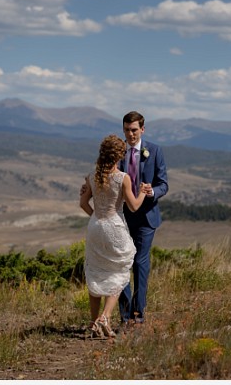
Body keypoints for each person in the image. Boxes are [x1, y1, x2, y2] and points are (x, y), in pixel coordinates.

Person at [81, 111, 168, 327]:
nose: (130, 134)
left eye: (134, 130)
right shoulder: (117, 153)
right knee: (118, 264)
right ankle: (125, 314)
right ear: (123, 130)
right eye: (127, 130)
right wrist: (88, 187)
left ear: (142, 130)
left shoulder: (155, 151)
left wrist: (151, 192)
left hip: (147, 216)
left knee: (139, 262)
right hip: (120, 218)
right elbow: (103, 178)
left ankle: (138, 314)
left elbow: (164, 183)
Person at [79, 134, 146, 338]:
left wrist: (96, 219)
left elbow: (83, 203)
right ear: (119, 155)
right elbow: (133, 206)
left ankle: (92, 322)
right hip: (114, 227)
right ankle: (106, 316)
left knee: (96, 271)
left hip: (95, 226)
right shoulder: (122, 178)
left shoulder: (91, 176)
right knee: (119, 269)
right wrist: (142, 191)